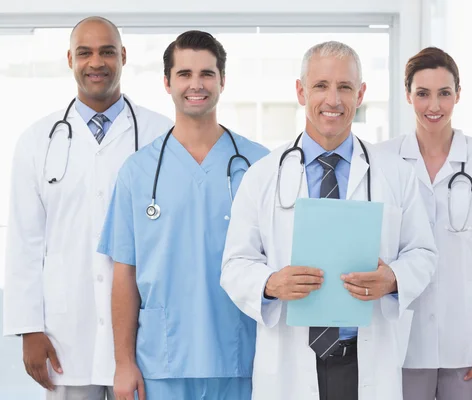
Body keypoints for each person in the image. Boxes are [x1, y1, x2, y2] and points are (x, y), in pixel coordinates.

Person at [220, 41, 438, 400]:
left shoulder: (395, 175)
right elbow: (234, 265)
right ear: (300, 91)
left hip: (366, 358)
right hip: (290, 361)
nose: (333, 100)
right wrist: (270, 283)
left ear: (361, 93)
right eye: (321, 86)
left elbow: (424, 253)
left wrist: (394, 278)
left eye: (345, 87)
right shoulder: (262, 176)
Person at [2, 16, 172, 400]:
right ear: (70, 59)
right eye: (86, 53)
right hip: (67, 337)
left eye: (107, 51)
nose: (97, 62)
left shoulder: (161, 135)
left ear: (123, 57)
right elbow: (25, 243)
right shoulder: (36, 142)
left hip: (142, 337)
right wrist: (29, 329)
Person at [97, 30, 268, 400]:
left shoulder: (260, 165)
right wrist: (123, 363)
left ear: (223, 81)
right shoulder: (137, 171)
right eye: (185, 74)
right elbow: (124, 273)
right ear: (167, 82)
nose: (196, 84)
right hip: (162, 362)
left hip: (242, 358)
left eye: (207, 74)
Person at [377, 47, 472, 400]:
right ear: (408, 94)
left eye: (444, 93)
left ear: (458, 94)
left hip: (470, 343)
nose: (434, 106)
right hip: (402, 343)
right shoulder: (382, 159)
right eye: (423, 94)